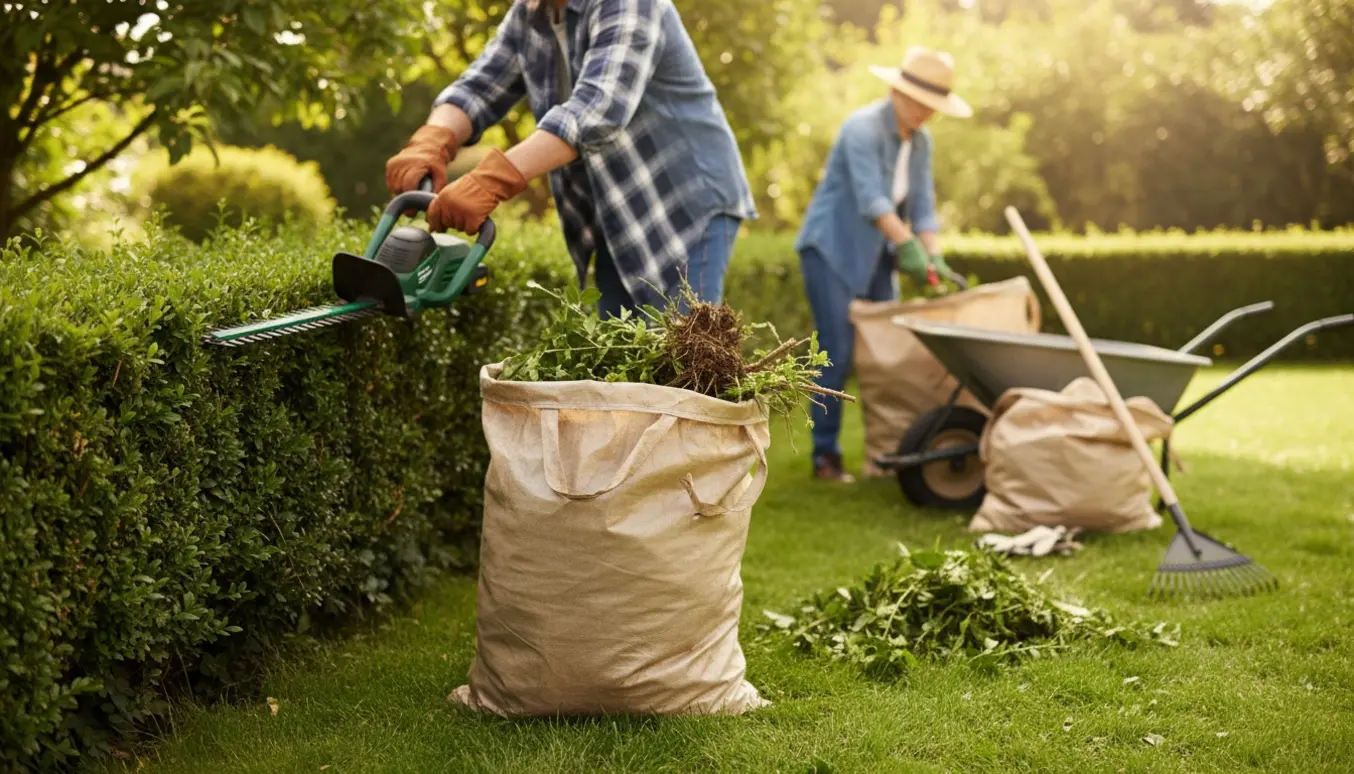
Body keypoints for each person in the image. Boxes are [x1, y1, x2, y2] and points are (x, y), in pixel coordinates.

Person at [383, 0, 756, 318]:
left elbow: (598, 108)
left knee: (685, 369)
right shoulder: (530, 14)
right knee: (622, 362)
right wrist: (432, 139)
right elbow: (478, 88)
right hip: (618, 210)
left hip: (684, 201)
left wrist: (492, 180)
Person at [793, 46, 972, 483]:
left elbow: (925, 207)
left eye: (932, 106)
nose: (925, 112)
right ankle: (825, 457)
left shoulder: (921, 141)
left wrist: (932, 255)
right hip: (830, 249)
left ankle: (886, 453)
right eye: (918, 101)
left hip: (876, 254)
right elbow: (872, 199)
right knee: (834, 352)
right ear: (896, 90)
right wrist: (908, 245)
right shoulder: (862, 128)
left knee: (888, 351)